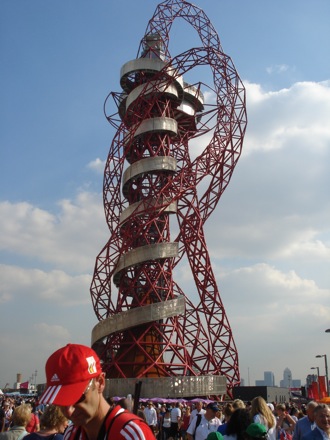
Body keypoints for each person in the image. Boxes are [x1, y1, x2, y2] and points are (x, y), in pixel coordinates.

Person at [38, 343, 154, 440]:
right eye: (61, 401)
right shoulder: (71, 434)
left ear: (100, 382)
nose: (68, 412)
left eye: (77, 397)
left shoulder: (131, 434)